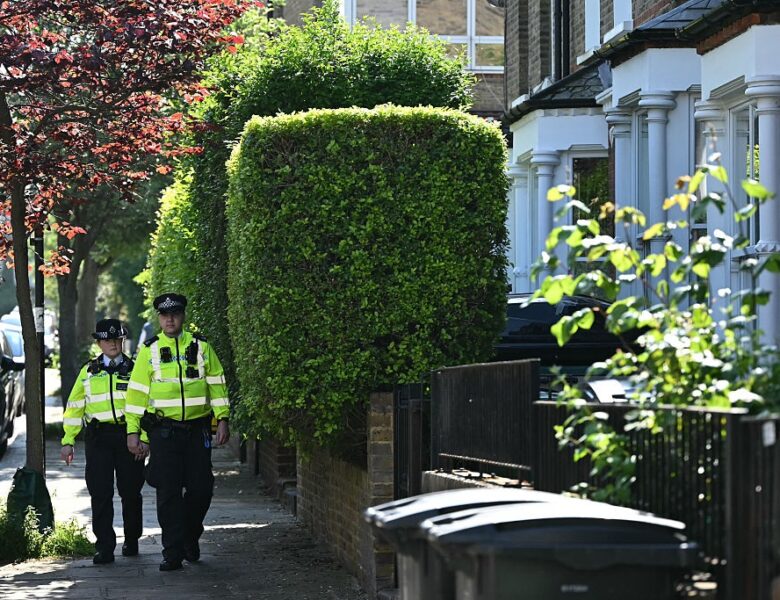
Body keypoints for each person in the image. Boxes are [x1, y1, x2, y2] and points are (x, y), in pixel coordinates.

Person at [125, 292, 230, 572]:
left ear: (183, 316)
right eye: (164, 315)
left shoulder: (202, 347)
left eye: (175, 314)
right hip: (164, 432)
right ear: (159, 318)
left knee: (201, 488)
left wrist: (223, 419)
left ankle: (189, 536)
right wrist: (133, 432)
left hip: (197, 431)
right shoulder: (148, 350)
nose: (169, 319)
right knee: (168, 492)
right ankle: (172, 552)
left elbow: (217, 384)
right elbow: (136, 395)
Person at [60, 318, 147, 565]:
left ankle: (132, 539)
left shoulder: (135, 370)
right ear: (98, 343)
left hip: (127, 437)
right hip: (98, 439)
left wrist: (144, 438)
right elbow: (75, 407)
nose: (113, 344)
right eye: (107, 340)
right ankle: (105, 547)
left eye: (117, 339)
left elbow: (147, 406)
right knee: (100, 493)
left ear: (122, 341)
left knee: (131, 492)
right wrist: (68, 440)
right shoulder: (88, 372)